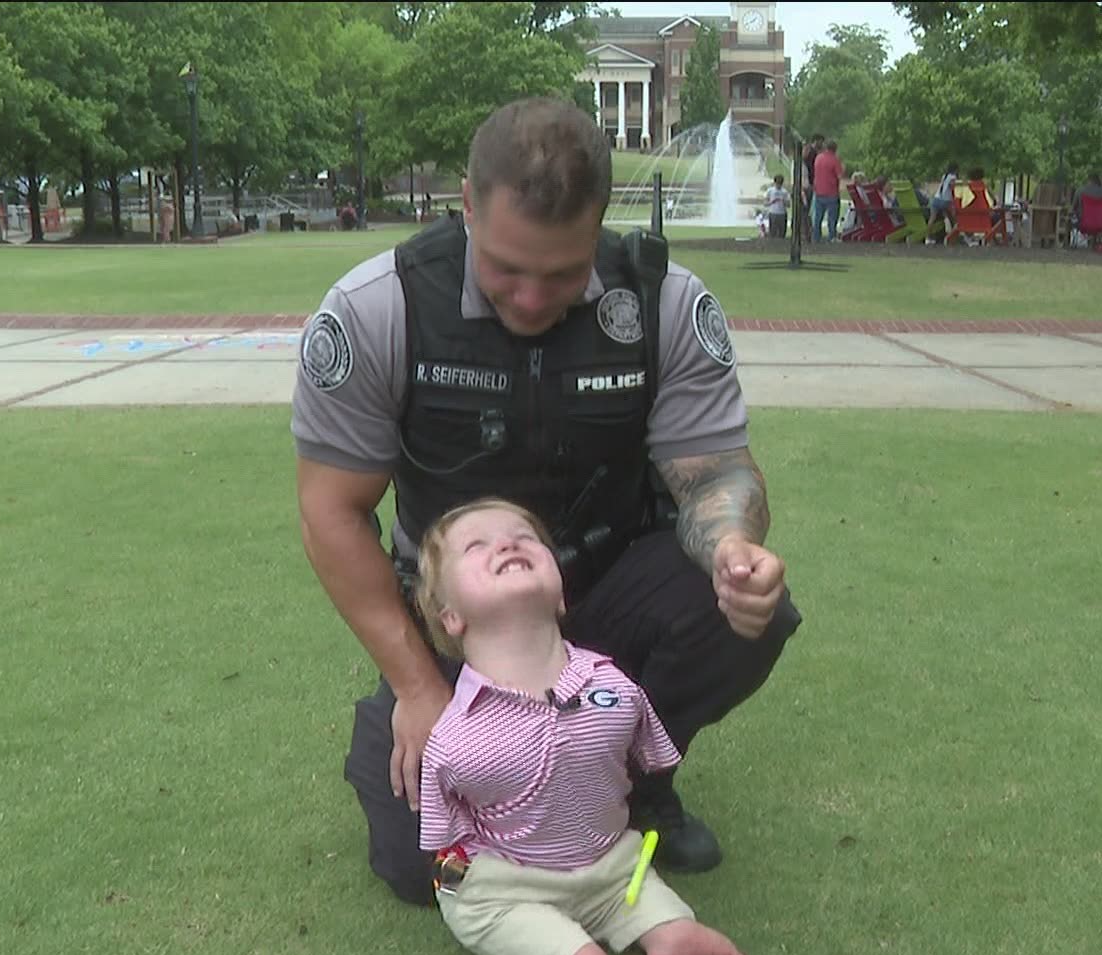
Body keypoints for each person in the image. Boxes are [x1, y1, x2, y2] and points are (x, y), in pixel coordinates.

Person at [291, 96, 804, 910]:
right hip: (460, 630)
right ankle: (464, 756)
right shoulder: (378, 309)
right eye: (506, 269)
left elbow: (713, 476)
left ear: (600, 223)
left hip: (606, 589)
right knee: (416, 871)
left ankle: (626, 797)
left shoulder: (663, 303)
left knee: (744, 614)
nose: (531, 300)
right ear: (465, 204)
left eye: (563, 274)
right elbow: (331, 512)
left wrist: (735, 546)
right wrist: (420, 688)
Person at [413, 496, 749, 955]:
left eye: (526, 539)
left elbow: (651, 758)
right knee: (469, 907)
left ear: (561, 591)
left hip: (609, 865)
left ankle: (668, 931)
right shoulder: (454, 738)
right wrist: (460, 875)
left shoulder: (615, 688)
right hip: (510, 883)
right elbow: (444, 838)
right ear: (449, 616)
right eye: (477, 547)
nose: (507, 544)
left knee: (637, 884)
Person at [812, 139, 843, 242]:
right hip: (831, 192)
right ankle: (831, 236)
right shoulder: (834, 160)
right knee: (832, 217)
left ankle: (816, 237)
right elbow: (839, 176)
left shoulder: (818, 158)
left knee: (818, 217)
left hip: (819, 191)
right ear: (835, 149)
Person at [763, 173, 789, 241]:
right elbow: (765, 203)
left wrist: (783, 201)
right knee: (773, 232)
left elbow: (788, 205)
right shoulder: (770, 191)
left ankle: (781, 245)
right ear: (774, 183)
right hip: (773, 213)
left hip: (782, 214)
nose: (778, 186)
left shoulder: (784, 192)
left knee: (782, 232)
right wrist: (771, 202)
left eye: (780, 184)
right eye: (777, 184)